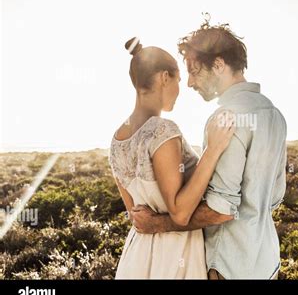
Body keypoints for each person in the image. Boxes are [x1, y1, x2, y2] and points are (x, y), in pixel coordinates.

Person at [132, 20, 288, 279]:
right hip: (266, 262)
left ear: (218, 65)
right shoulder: (274, 114)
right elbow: (274, 197)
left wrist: (157, 224)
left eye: (194, 71)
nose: (190, 83)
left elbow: (220, 210)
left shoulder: (226, 118)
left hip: (228, 267)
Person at [108, 37, 235, 279]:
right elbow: (180, 213)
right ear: (164, 77)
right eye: (177, 79)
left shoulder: (116, 141)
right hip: (176, 257)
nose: (181, 90)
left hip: (137, 256)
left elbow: (136, 216)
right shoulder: (162, 131)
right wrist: (213, 149)